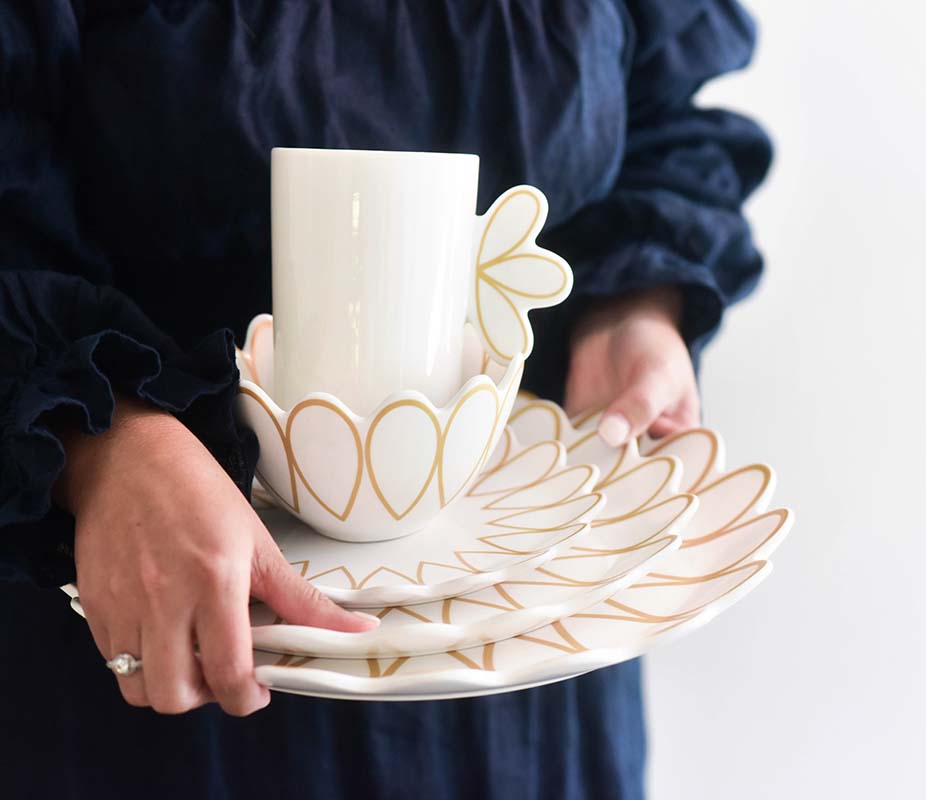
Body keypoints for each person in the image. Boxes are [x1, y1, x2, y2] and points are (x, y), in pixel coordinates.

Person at [0, 1, 771, 797]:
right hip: (160, 607)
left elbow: (661, 118)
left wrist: (630, 308)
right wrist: (105, 440)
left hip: (518, 621)